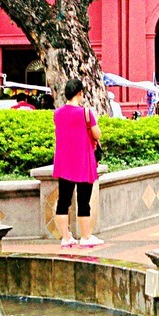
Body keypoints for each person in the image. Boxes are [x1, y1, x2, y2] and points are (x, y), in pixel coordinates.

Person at [52, 78, 103, 248]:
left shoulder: (57, 113)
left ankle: (66, 237)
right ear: (80, 93)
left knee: (63, 201)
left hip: (64, 162)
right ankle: (86, 237)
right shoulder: (86, 113)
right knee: (83, 201)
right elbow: (97, 134)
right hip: (83, 162)